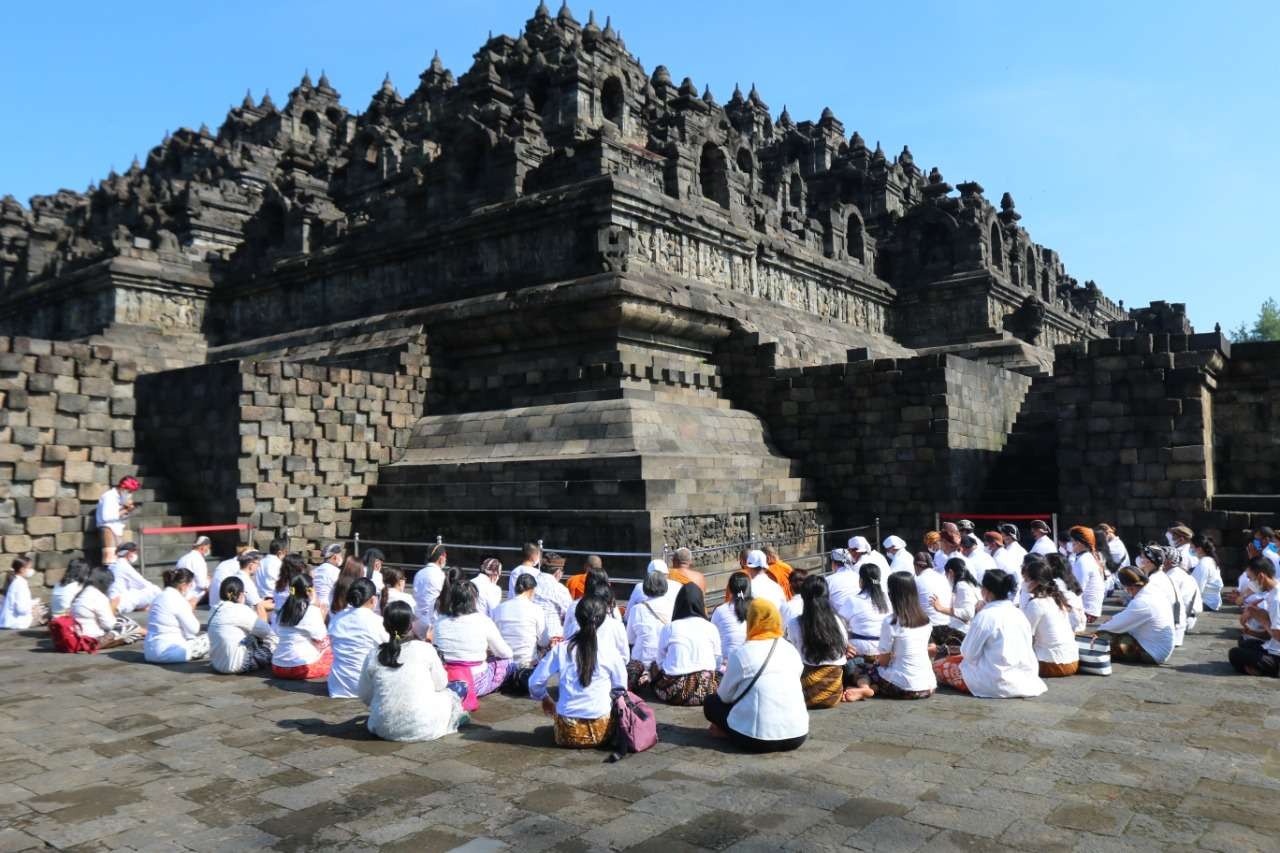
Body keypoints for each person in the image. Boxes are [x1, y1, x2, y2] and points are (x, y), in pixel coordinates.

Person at [703, 599, 808, 752]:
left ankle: (728, 731)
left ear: (751, 621)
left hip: (754, 738)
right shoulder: (791, 650)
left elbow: (724, 697)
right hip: (797, 735)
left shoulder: (742, 653)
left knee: (711, 703)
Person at [358, 601, 470, 741]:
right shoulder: (424, 649)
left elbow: (364, 694)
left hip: (382, 727)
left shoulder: (373, 655)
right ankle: (454, 717)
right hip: (423, 727)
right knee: (460, 687)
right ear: (411, 625)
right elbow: (441, 685)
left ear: (385, 625)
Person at [530, 596, 629, 749]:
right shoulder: (610, 650)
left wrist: (544, 698)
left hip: (566, 734)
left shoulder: (561, 649)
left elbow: (535, 682)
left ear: (577, 617)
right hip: (602, 731)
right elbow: (620, 687)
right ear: (603, 619)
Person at [932, 570, 1047, 698]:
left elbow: (968, 654)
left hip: (994, 681)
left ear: (986, 591)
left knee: (938, 666)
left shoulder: (985, 616)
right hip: (1025, 677)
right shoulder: (1019, 613)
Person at [844, 572, 936, 701]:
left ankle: (865, 688)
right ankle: (873, 688)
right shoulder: (926, 620)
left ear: (892, 594)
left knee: (863, 668)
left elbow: (883, 662)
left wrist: (884, 659)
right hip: (928, 686)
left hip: (903, 687)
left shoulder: (891, 622)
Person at [431, 569, 513, 710]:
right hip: (475, 680)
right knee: (510, 663)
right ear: (474, 599)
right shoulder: (483, 620)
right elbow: (505, 653)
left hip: (444, 678)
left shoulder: (440, 621)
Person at [784, 575, 854, 708]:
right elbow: (843, 649)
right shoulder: (838, 621)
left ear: (803, 597)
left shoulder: (794, 623)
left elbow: (794, 653)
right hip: (834, 693)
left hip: (806, 693)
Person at [650, 583, 721, 705]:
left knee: (652, 666)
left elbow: (660, 662)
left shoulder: (670, 627)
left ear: (678, 603)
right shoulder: (711, 627)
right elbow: (717, 661)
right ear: (700, 603)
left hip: (674, 692)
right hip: (706, 692)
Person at [1091, 566, 1175, 665]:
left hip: (1151, 652)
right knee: (1111, 630)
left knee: (1101, 639)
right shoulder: (1153, 590)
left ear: (1129, 588)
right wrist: (1112, 621)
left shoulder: (1142, 602)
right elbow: (1126, 617)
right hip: (1159, 647)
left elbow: (1115, 626)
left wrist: (1096, 632)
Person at [328, 579, 389, 698]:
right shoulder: (377, 622)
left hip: (337, 686)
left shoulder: (337, 618)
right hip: (366, 687)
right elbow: (388, 647)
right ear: (373, 599)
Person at [1020, 562, 1080, 677]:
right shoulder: (1056, 598)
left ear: (1036, 582)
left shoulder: (1036, 604)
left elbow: (1025, 634)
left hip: (1051, 664)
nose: (1024, 583)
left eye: (1026, 579)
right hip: (1072, 660)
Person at [208, 576, 276, 674]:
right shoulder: (240, 609)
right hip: (238, 665)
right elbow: (267, 632)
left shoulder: (213, 609)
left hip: (217, 664)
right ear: (240, 594)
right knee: (273, 641)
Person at [143, 568, 210, 664]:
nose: (191, 588)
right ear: (183, 586)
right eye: (190, 585)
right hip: (170, 652)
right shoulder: (178, 600)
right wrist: (190, 609)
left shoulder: (158, 598)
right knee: (213, 636)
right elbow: (194, 629)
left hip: (150, 652)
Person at [272, 574, 332, 679]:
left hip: (277, 666)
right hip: (300, 667)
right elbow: (322, 641)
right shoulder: (311, 610)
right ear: (309, 591)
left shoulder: (283, 610)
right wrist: (322, 617)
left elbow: (278, 632)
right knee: (334, 651)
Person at [625, 566, 677, 687]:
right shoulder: (673, 607)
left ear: (645, 586)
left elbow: (630, 639)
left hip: (641, 663)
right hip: (664, 663)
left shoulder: (637, 609)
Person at [69, 566, 144, 649]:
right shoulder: (98, 596)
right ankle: (142, 631)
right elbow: (109, 625)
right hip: (92, 639)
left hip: (77, 635)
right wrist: (112, 606)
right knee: (133, 629)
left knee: (122, 619)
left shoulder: (80, 592)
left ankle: (142, 631)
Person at [495, 572, 554, 675]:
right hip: (527, 664)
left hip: (503, 662)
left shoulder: (499, 608)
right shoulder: (536, 609)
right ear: (532, 590)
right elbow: (543, 642)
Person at [1229, 559, 1280, 677]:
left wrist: (1264, 620)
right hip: (1272, 645)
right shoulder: (1274, 592)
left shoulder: (1276, 599)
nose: (1251, 583)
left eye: (1251, 578)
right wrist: (1252, 632)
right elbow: (1269, 635)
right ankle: (1256, 666)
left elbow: (1277, 634)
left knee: (1234, 654)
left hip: (1277, 655)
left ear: (1261, 577)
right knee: (1245, 642)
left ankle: (1268, 669)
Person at [837, 562, 890, 659]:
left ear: (861, 580)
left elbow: (839, 623)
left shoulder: (853, 600)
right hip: (884, 650)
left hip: (859, 650)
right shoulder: (887, 599)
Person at [914, 548, 958, 646]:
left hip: (928, 630)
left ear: (916, 566)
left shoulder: (917, 581)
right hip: (947, 625)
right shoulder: (943, 578)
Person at [929, 557, 981, 637]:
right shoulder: (969, 584)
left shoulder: (962, 585)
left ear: (950, 572)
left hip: (963, 632)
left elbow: (968, 613)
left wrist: (941, 608)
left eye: (946, 575)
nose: (947, 578)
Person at [711, 572, 752, 668]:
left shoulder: (720, 610)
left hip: (727, 664)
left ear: (729, 589)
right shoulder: (755, 608)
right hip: (751, 661)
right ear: (748, 588)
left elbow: (712, 636)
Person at [95, 475, 139, 565]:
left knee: (121, 558)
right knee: (110, 559)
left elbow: (121, 516)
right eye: (129, 491)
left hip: (117, 529)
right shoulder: (109, 496)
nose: (130, 494)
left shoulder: (121, 498)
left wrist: (127, 510)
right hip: (107, 528)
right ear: (123, 488)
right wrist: (125, 510)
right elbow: (106, 517)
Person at [107, 542, 160, 614]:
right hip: (120, 602)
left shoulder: (113, 565)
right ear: (128, 553)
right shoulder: (123, 565)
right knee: (155, 590)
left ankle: (143, 607)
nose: (135, 555)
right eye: (134, 552)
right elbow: (144, 584)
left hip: (113, 599)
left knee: (135, 591)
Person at [1068, 526, 1106, 623]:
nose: (1070, 543)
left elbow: (1077, 590)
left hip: (1087, 613)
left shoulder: (1083, 561)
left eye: (1072, 541)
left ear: (1078, 542)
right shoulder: (1085, 557)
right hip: (1089, 610)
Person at [0, 557, 48, 629]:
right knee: (46, 613)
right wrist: (33, 606)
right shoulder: (20, 584)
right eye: (29, 568)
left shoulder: (17, 581)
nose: (31, 570)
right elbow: (22, 609)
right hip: (16, 623)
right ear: (22, 569)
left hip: (10, 621)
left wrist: (32, 603)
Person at [412, 543, 447, 639]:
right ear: (441, 558)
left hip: (417, 622)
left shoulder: (419, 573)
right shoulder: (441, 575)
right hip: (433, 623)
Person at [1043, 553, 1087, 632]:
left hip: (1069, 628)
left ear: (1051, 567)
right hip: (1080, 625)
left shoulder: (1055, 584)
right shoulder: (1071, 581)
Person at [532, 552, 574, 628]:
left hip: (529, 631)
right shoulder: (560, 589)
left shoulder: (530, 583)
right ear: (558, 572)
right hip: (551, 635)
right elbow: (570, 614)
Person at [825, 548, 861, 618]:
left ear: (833, 563)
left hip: (841, 621)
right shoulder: (858, 576)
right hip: (859, 616)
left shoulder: (828, 580)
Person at [175, 535, 213, 604]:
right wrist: (209, 581)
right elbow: (202, 584)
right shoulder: (199, 560)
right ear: (203, 547)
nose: (208, 550)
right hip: (192, 597)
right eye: (208, 547)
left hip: (180, 595)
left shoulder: (183, 558)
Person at [1190, 534, 1223, 612]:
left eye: (1191, 547)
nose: (1190, 550)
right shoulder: (1210, 560)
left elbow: (1197, 588)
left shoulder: (1204, 563)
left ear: (1199, 549)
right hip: (1212, 602)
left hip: (1206, 603)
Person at [313, 543, 345, 617]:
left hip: (314, 608)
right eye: (340, 555)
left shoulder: (315, 570)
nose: (341, 558)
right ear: (334, 557)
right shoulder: (337, 573)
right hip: (328, 611)